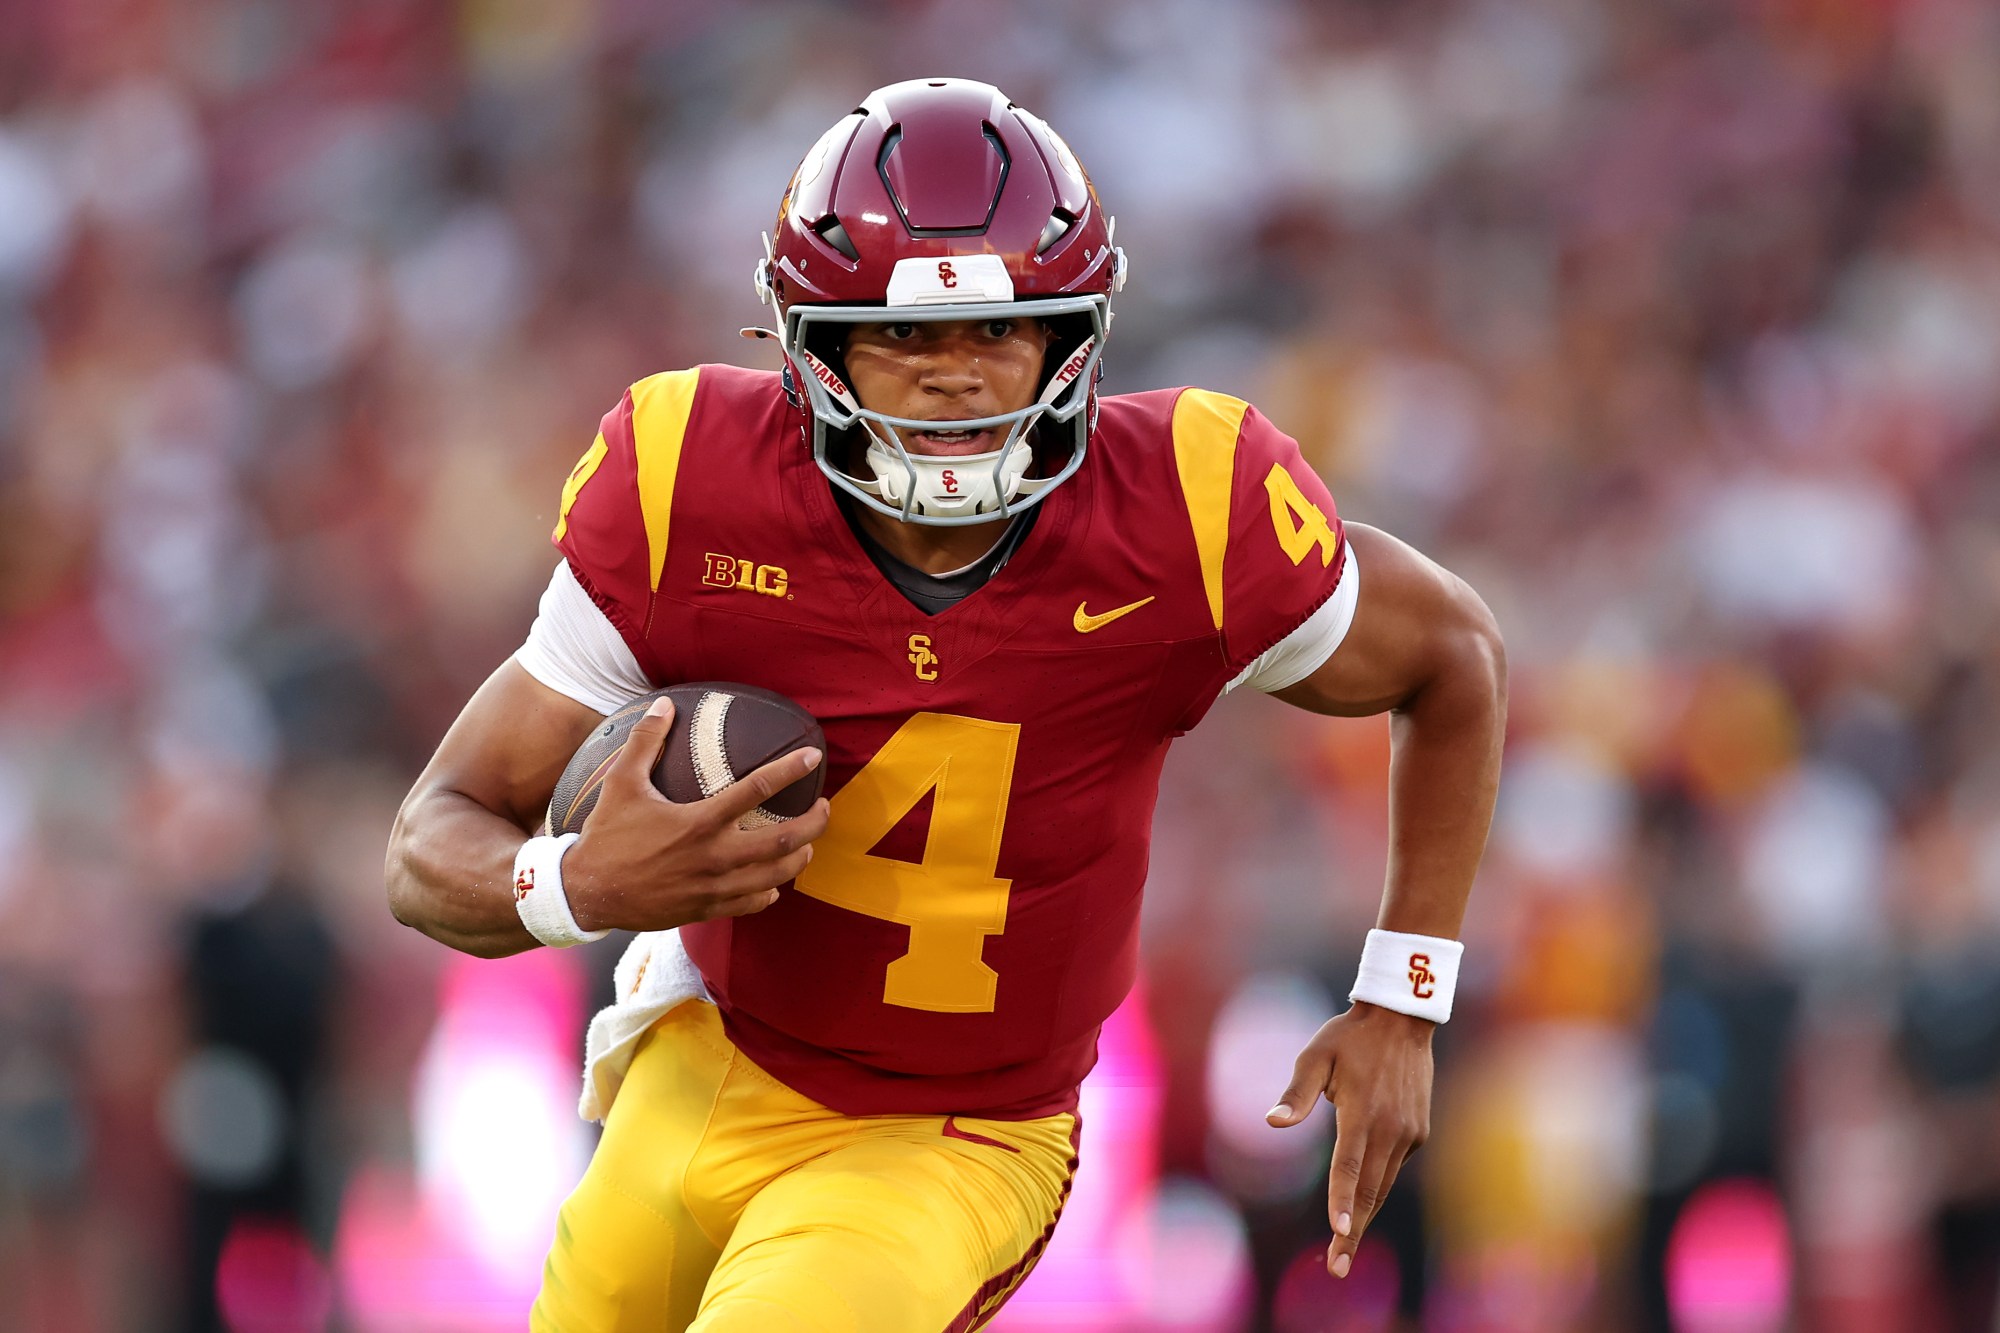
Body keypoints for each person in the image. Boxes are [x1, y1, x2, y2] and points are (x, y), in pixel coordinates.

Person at [385, 77, 1505, 1332]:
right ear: (811, 346)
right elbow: (433, 838)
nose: (955, 379)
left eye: (998, 331)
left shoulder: (1190, 512)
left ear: (1071, 340)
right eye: (902, 337)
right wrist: (577, 885)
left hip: (956, 1133)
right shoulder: (685, 491)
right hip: (705, 1066)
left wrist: (1404, 995)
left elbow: (1451, 654)